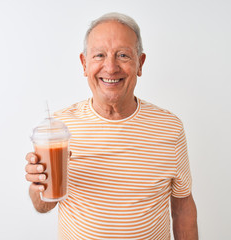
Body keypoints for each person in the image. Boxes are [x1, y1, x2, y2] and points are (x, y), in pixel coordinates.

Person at [25, 12, 198, 239]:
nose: (110, 67)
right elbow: (43, 205)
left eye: (123, 55)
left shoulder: (169, 128)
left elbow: (183, 207)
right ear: (84, 64)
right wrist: (40, 183)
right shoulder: (59, 128)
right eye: (99, 55)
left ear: (140, 63)